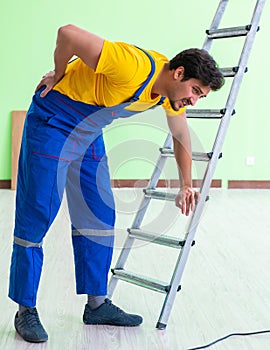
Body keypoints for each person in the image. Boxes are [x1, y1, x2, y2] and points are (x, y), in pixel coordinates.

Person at [9, 24, 224, 343]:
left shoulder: (168, 94)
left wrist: (186, 185)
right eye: (195, 92)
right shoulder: (132, 66)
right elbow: (67, 33)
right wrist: (59, 73)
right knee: (38, 210)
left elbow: (181, 135)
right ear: (178, 73)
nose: (194, 101)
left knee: (98, 212)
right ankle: (25, 309)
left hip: (89, 128)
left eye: (201, 97)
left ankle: (96, 304)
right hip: (54, 120)